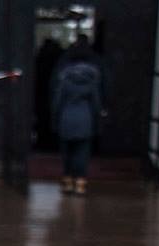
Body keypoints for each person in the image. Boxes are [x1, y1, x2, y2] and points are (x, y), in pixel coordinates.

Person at [51, 34, 103, 195]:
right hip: (85, 119)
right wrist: (97, 120)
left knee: (66, 152)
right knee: (82, 153)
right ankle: (80, 182)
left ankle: (67, 181)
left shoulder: (64, 81)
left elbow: (57, 102)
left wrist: (55, 119)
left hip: (66, 118)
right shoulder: (91, 81)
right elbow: (96, 104)